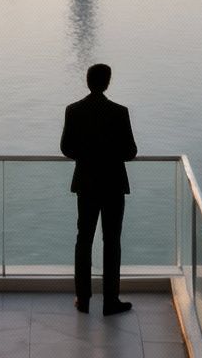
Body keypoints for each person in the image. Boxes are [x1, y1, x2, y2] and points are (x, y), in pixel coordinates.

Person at [60, 62, 138, 316]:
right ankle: (110, 300)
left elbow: (66, 148)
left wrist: (88, 156)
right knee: (111, 241)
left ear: (88, 81)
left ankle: (83, 299)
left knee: (84, 239)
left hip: (86, 183)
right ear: (107, 82)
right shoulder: (119, 112)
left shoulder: (73, 111)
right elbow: (130, 151)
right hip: (113, 184)